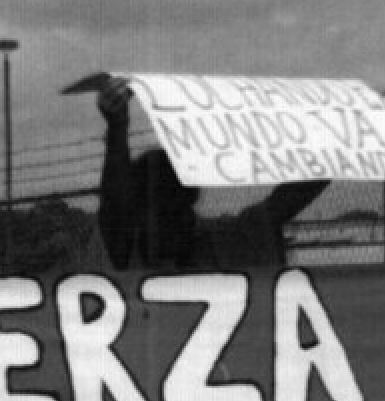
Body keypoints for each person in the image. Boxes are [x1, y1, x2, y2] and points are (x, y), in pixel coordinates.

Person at [89, 74, 329, 270]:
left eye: (170, 209)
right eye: (157, 209)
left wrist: (117, 126)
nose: (164, 220)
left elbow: (115, 203)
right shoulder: (234, 238)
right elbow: (286, 202)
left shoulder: (231, 238)